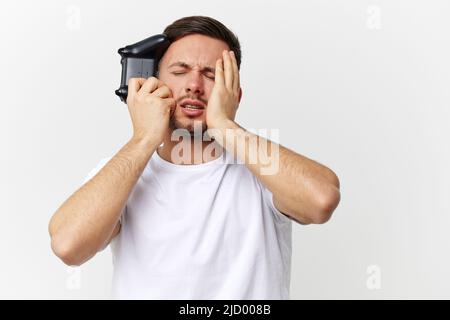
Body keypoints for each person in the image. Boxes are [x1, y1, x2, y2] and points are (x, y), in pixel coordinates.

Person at [48, 16, 341, 299]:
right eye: (179, 71)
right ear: (152, 83)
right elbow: (68, 245)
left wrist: (224, 125)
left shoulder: (262, 170)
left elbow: (321, 200)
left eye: (211, 74)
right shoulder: (125, 172)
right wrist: (144, 138)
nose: (194, 85)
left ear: (234, 95)